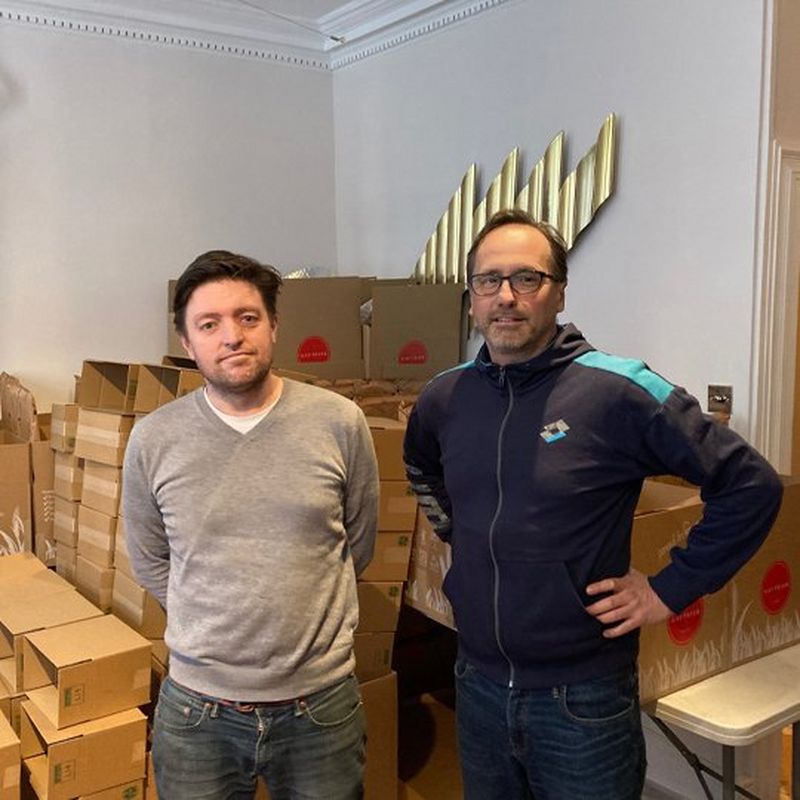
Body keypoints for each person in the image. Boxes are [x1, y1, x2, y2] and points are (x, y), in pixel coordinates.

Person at [403, 209, 783, 800]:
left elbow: (751, 485)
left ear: (558, 293)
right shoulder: (445, 396)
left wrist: (668, 589)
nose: (506, 297)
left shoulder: (620, 390)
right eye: (488, 280)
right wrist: (465, 538)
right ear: (471, 296)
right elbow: (420, 466)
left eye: (527, 279)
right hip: (475, 683)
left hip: (581, 701)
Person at [123, 250, 379, 800]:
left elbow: (356, 543)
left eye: (247, 318)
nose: (231, 337)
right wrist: (212, 619)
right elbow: (148, 558)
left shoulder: (338, 421)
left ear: (273, 326)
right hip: (197, 711)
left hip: (321, 706)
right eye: (209, 325)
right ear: (188, 345)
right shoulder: (154, 439)